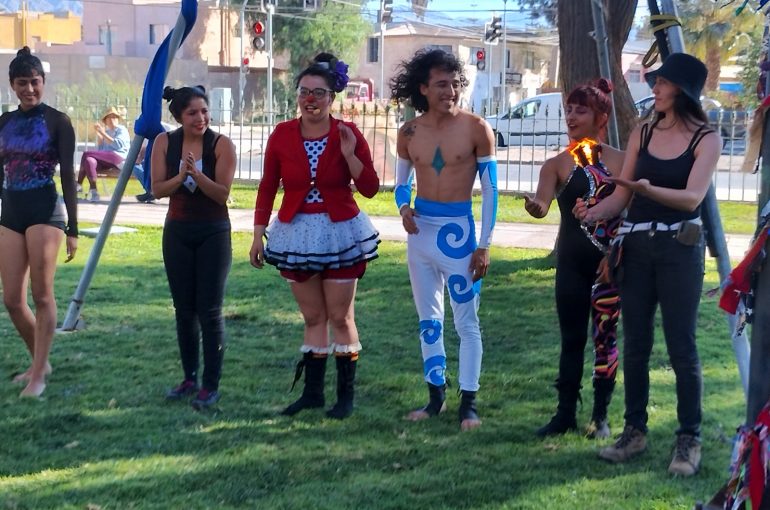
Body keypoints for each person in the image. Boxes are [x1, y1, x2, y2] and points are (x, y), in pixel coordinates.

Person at [574, 53, 721, 476]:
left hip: (680, 249)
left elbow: (692, 198)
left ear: (683, 90)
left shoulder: (706, 139)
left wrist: (645, 188)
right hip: (635, 249)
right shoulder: (644, 130)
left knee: (682, 347)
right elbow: (622, 198)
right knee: (635, 345)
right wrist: (595, 212)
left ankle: (688, 440)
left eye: (662, 82)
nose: (653, 87)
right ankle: (633, 432)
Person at [250, 53, 379, 420]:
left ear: (332, 97)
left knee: (340, 316)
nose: (311, 99)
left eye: (319, 93)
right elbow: (266, 187)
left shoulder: (348, 133)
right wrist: (258, 235)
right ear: (297, 96)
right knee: (312, 316)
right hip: (295, 233)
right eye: (304, 92)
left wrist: (350, 154)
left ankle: (345, 397)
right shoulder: (281, 134)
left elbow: (369, 187)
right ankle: (312, 394)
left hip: (341, 231)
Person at [390, 48, 498, 431]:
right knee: (428, 321)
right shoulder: (409, 132)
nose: (450, 91)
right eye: (441, 84)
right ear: (423, 88)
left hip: (461, 238)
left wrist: (484, 244)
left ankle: (469, 402)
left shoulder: (476, 128)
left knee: (467, 322)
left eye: (455, 84)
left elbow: (491, 192)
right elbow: (400, 185)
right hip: (420, 237)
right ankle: (435, 397)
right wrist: (404, 209)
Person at [524, 79, 624, 440]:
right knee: (570, 339)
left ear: (601, 116)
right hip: (570, 263)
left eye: (580, 110)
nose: (571, 116)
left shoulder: (621, 161)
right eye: (568, 109)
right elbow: (543, 204)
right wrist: (535, 207)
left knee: (605, 338)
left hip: (609, 265)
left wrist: (614, 254)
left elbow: (628, 215)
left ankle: (600, 416)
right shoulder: (555, 165)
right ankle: (564, 413)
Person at [151, 85, 236, 410]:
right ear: (178, 117)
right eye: (192, 113)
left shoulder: (220, 144)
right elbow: (158, 189)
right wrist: (182, 176)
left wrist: (196, 176)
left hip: (213, 232)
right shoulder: (164, 142)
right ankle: (189, 378)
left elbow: (221, 194)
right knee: (184, 311)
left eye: (204, 111)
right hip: (177, 232)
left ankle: (210, 386)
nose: (200, 118)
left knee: (209, 311)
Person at [0, 47, 78, 397]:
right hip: (11, 211)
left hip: (45, 210)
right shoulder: (3, 122)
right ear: (12, 86)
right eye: (22, 83)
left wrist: (73, 227)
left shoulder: (57, 121)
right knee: (13, 300)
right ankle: (39, 361)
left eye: (35, 82)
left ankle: (38, 377)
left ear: (43, 82)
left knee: (42, 295)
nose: (29, 89)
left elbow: (68, 176)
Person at [77, 106, 130, 202]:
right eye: (109, 117)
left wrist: (103, 133)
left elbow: (117, 145)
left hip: (119, 158)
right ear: (105, 121)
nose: (112, 119)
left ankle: (78, 185)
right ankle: (94, 191)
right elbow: (101, 152)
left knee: (86, 154)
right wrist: (100, 139)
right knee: (89, 161)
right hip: (108, 160)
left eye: (114, 117)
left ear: (118, 119)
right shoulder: (107, 132)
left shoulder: (121, 130)